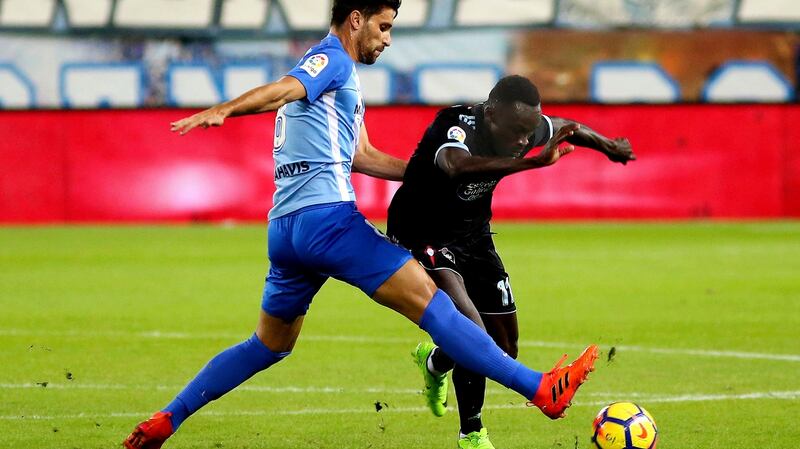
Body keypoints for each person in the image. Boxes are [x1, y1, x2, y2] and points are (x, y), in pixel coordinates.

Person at [123, 3, 599, 448]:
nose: (387, 39)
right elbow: (285, 87)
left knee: (268, 344)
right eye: (384, 26)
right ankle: (540, 389)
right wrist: (227, 108)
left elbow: (363, 156)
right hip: (328, 223)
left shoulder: (339, 84)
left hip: (285, 231)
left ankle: (170, 417)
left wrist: (426, 175)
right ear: (356, 19)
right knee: (440, 311)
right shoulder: (331, 61)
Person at [387, 75, 635, 449]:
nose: (523, 140)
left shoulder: (524, 127)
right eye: (517, 131)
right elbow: (456, 166)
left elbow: (569, 129)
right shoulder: (454, 126)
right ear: (490, 114)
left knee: (505, 346)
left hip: (474, 234)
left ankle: (436, 362)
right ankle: (471, 432)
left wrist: (609, 147)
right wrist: (534, 163)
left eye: (530, 132)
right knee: (472, 329)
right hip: (423, 233)